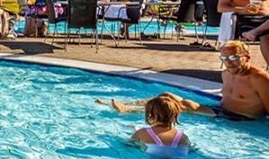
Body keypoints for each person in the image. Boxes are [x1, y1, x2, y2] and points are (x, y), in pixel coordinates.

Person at [98, 41, 269, 121]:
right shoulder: (227, 73)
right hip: (220, 110)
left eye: (233, 58)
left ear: (247, 57)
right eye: (224, 58)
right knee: (166, 95)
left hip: (239, 118)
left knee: (182, 105)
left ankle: (129, 111)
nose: (228, 62)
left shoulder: (259, 78)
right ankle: (127, 103)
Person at [129, 94, 189, 158]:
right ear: (175, 115)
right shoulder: (183, 137)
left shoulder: (141, 132)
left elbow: (129, 145)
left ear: (150, 114)